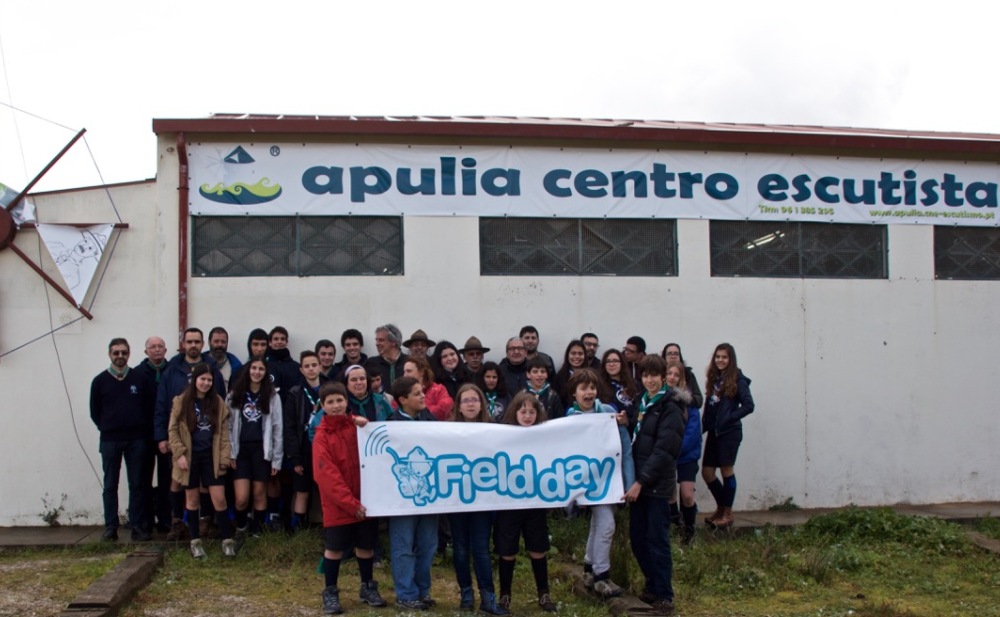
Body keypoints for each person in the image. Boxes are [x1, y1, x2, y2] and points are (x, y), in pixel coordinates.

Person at [312, 381, 387, 614]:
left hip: (364, 502)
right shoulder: (321, 437)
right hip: (339, 505)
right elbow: (327, 476)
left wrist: (366, 426)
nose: (336, 406)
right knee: (334, 549)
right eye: (330, 402)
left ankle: (367, 587)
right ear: (323, 405)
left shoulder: (359, 427)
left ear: (347, 402)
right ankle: (331, 592)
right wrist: (349, 504)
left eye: (340, 400)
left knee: (366, 546)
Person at [563, 369, 634, 598]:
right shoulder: (570, 419)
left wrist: (628, 482)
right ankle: (602, 575)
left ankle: (590, 568)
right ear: (574, 393)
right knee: (606, 524)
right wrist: (573, 492)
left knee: (600, 523)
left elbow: (624, 448)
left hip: (607, 481)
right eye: (583, 388)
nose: (589, 392)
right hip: (584, 482)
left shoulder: (609, 413)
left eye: (592, 387)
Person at [625, 355, 686, 614]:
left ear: (664, 376)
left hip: (656, 485)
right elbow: (636, 430)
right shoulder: (642, 400)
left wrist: (641, 481)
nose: (649, 379)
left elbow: (664, 450)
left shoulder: (670, 406)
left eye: (654, 375)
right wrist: (622, 420)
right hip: (639, 481)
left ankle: (665, 595)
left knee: (657, 540)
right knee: (637, 538)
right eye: (645, 375)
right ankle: (651, 584)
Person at [154, 328, 226, 541]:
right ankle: (177, 522)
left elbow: (220, 402)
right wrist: (162, 437)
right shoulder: (172, 369)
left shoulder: (212, 368)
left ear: (202, 344)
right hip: (180, 439)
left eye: (197, 341)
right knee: (177, 480)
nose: (193, 345)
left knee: (204, 485)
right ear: (183, 344)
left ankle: (205, 521)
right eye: (189, 341)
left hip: (205, 441)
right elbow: (162, 404)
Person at [447, 384, 509, 615]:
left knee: (481, 548)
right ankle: (466, 594)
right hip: (456, 500)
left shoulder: (494, 429)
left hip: (483, 500)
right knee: (461, 549)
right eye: (466, 400)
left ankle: (488, 598)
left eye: (475, 399)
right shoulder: (446, 432)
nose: (471, 404)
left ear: (482, 403)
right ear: (459, 406)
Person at [495, 392, 556, 613]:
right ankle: (505, 595)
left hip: (535, 503)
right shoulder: (504, 435)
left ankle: (543, 593)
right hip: (509, 503)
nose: (528, 416)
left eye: (532, 412)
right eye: (523, 411)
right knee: (507, 550)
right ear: (515, 412)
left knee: (538, 548)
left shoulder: (544, 435)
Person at [167, 363, 234, 558]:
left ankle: (226, 541)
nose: (205, 383)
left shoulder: (218, 402)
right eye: (202, 379)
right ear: (195, 380)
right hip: (190, 457)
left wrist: (224, 458)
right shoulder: (181, 401)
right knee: (192, 500)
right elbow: (172, 430)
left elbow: (223, 434)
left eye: (209, 380)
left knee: (219, 499)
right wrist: (179, 454)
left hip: (210, 457)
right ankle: (195, 541)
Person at [90, 337, 151, 541]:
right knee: (110, 485)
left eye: (123, 352)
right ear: (110, 354)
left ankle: (137, 526)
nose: (120, 356)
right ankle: (110, 527)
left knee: (137, 484)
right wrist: (108, 427)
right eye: (116, 353)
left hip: (136, 439)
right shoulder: (99, 382)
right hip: (110, 440)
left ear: (129, 354)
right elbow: (95, 412)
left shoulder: (139, 378)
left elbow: (147, 407)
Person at [386, 376, 438, 611]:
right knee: (404, 544)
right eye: (417, 394)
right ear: (402, 400)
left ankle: (422, 591)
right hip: (401, 498)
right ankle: (406, 593)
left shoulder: (431, 419)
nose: (422, 396)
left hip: (428, 496)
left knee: (428, 544)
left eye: (422, 392)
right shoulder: (389, 424)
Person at [227, 358, 283, 539]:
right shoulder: (235, 395)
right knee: (242, 498)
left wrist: (276, 458)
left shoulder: (273, 396)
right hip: (241, 451)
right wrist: (230, 453)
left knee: (259, 493)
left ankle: (258, 532)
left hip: (261, 450)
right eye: (254, 368)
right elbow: (227, 426)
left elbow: (277, 428)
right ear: (248, 370)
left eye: (261, 369)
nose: (257, 372)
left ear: (266, 373)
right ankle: (242, 528)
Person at [701, 343, 754, 530]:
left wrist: (730, 418)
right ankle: (721, 507)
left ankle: (727, 513)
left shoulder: (738, 380)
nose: (720, 360)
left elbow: (749, 405)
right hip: (714, 433)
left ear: (731, 360)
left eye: (724, 357)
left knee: (726, 470)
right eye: (717, 357)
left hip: (729, 433)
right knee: (707, 472)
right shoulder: (714, 379)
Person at [137, 335, 170, 534]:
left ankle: (166, 520)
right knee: (143, 479)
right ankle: (145, 521)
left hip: (167, 435)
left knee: (167, 479)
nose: (157, 350)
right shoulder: (138, 374)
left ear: (165, 351)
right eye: (153, 347)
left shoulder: (173, 370)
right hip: (144, 435)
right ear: (146, 351)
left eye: (160, 347)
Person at [666, 360, 701, 544]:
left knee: (687, 494)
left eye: (676, 374)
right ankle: (676, 526)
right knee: (670, 494)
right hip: (668, 455)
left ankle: (690, 530)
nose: (672, 377)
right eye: (669, 374)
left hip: (686, 454)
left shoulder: (689, 402)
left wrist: (676, 448)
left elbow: (693, 431)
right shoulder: (661, 400)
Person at [403, 356, 453, 421]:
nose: (405, 375)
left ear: (421, 372)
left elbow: (445, 407)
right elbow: (396, 411)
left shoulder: (439, 389)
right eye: (404, 372)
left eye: (409, 371)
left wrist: (419, 413)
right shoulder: (402, 391)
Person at [365, 324, 408, 388]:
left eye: (381, 340)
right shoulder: (371, 363)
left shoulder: (409, 362)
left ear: (393, 342)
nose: (377, 343)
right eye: (376, 340)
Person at [661, 343, 704, 409]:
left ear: (680, 356)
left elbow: (699, 400)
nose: (673, 356)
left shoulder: (688, 375)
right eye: (669, 354)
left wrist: (683, 396)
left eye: (676, 354)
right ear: (664, 356)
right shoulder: (658, 374)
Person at [599, 348, 639, 415]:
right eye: (608, 361)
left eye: (615, 361)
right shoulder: (599, 385)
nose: (611, 364)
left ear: (622, 363)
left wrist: (628, 421)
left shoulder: (633, 383)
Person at [523, 356, 563, 420]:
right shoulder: (522, 394)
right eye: (535, 371)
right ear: (528, 374)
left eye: (543, 371)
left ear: (547, 374)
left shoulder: (553, 396)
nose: (539, 375)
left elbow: (560, 418)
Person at [552, 339, 588, 408]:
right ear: (567, 355)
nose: (577, 356)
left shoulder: (592, 375)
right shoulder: (559, 378)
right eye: (573, 353)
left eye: (580, 354)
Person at [208, 326, 242, 390]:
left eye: (223, 342)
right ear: (209, 343)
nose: (220, 345)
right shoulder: (201, 363)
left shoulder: (236, 367)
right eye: (216, 341)